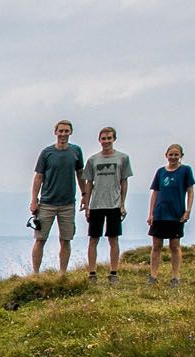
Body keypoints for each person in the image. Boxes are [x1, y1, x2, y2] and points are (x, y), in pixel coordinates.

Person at [30, 120, 86, 274]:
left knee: (66, 239)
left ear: (70, 132)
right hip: (47, 202)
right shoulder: (47, 153)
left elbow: (80, 173)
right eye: (60, 131)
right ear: (55, 132)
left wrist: (85, 194)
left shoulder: (76, 152)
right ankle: (35, 273)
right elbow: (38, 177)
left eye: (66, 131)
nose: (63, 134)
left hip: (68, 204)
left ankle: (62, 273)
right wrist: (34, 200)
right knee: (40, 239)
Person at [81, 125, 133, 283]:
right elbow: (89, 182)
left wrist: (122, 204)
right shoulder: (93, 160)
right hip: (96, 204)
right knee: (93, 238)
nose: (106, 141)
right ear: (99, 140)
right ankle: (92, 273)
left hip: (114, 204)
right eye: (103, 138)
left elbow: (124, 182)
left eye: (109, 138)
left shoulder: (122, 158)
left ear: (114, 139)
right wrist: (87, 204)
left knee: (113, 238)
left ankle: (114, 272)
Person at [147, 144, 195, 287]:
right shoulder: (160, 172)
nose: (173, 157)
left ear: (181, 156)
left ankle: (175, 276)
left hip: (176, 214)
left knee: (175, 246)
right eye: (171, 154)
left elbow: (190, 191)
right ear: (166, 155)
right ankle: (153, 275)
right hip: (160, 213)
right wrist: (151, 213)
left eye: (176, 155)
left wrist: (188, 211)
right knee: (156, 246)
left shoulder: (185, 171)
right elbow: (155, 192)